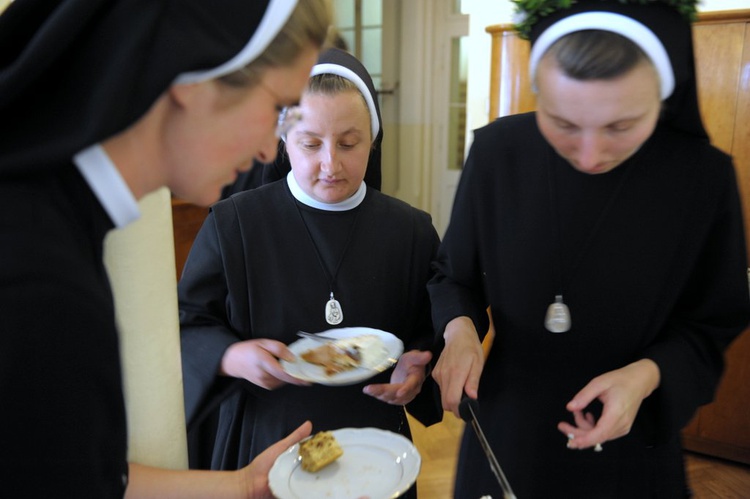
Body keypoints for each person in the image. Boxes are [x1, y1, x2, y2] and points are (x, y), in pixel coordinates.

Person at [0, 0, 331, 497]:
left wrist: (243, 486)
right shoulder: (37, 281)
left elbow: (78, 470)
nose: (270, 149)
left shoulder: (55, 221)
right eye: (278, 109)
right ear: (195, 78)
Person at [428, 1, 750, 497]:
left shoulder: (702, 179)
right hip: (509, 422)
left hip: (632, 433)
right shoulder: (497, 154)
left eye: (621, 127)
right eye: (563, 122)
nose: (589, 154)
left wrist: (646, 376)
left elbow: (712, 320)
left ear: (664, 97)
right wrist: (459, 331)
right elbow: (454, 275)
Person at [178, 48, 441, 497]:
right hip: (267, 438)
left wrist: (417, 369)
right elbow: (184, 324)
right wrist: (231, 356)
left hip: (378, 444)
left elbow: (427, 330)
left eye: (349, 142)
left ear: (373, 140)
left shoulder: (410, 229)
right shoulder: (234, 224)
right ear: (283, 141)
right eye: (311, 143)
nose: (330, 164)